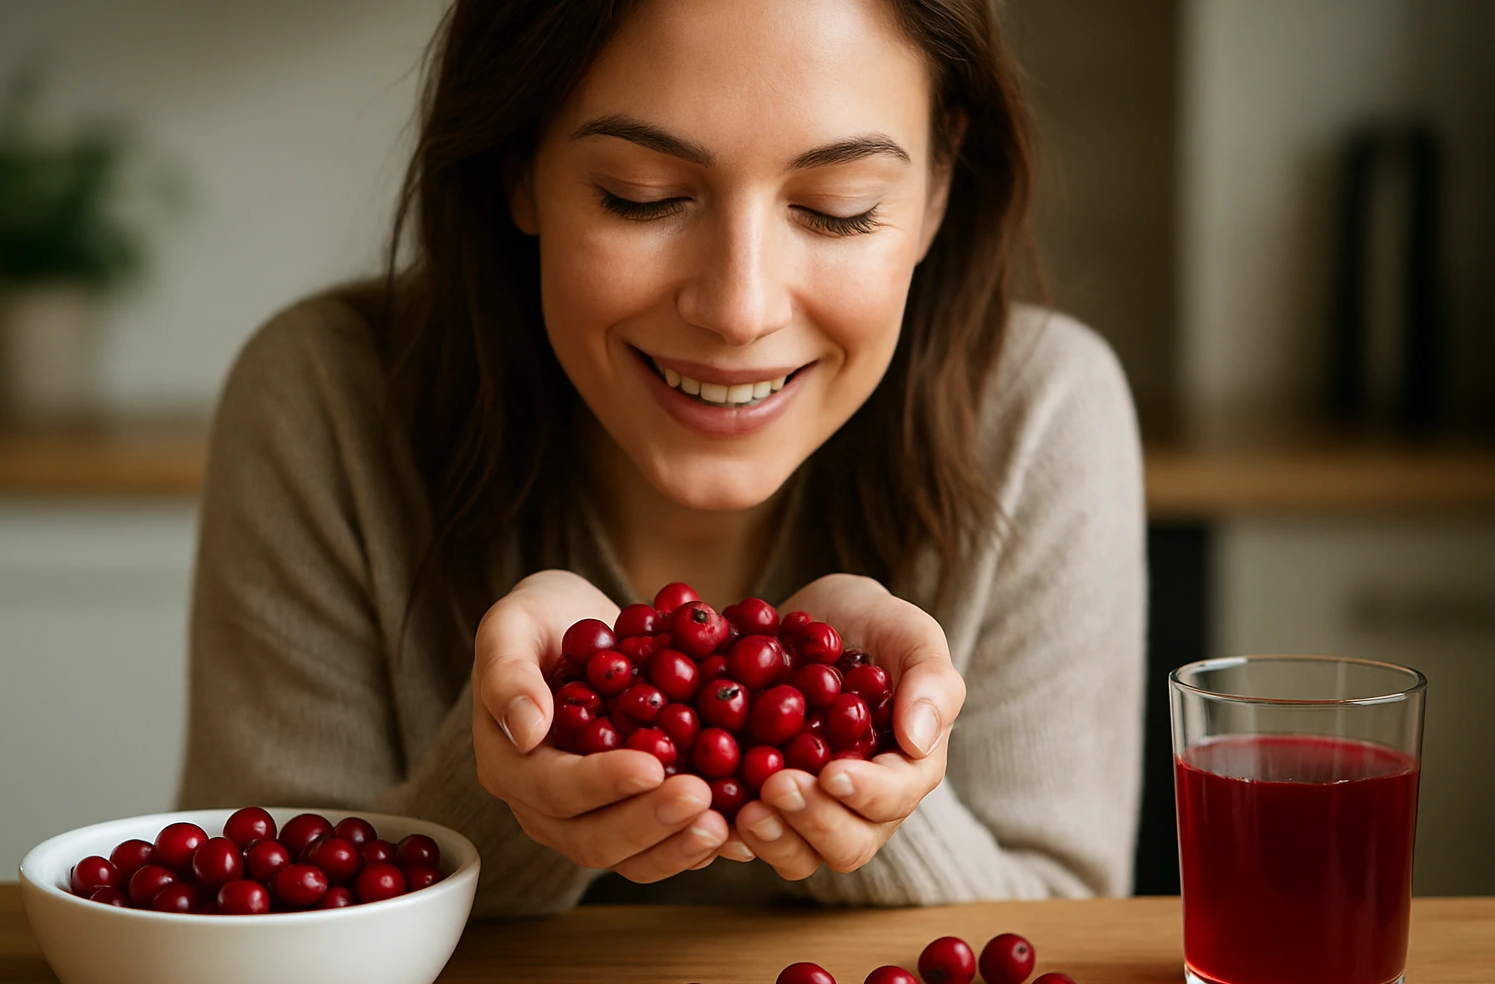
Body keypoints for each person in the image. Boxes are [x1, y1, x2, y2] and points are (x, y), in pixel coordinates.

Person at [178, 0, 1146, 917]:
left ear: (938, 187)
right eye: (641, 198)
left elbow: (1059, 935)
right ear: (521, 164)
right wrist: (514, 769)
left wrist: (856, 746)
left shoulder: (1042, 412)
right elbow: (250, 925)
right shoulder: (327, 398)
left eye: (839, 208)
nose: (739, 306)